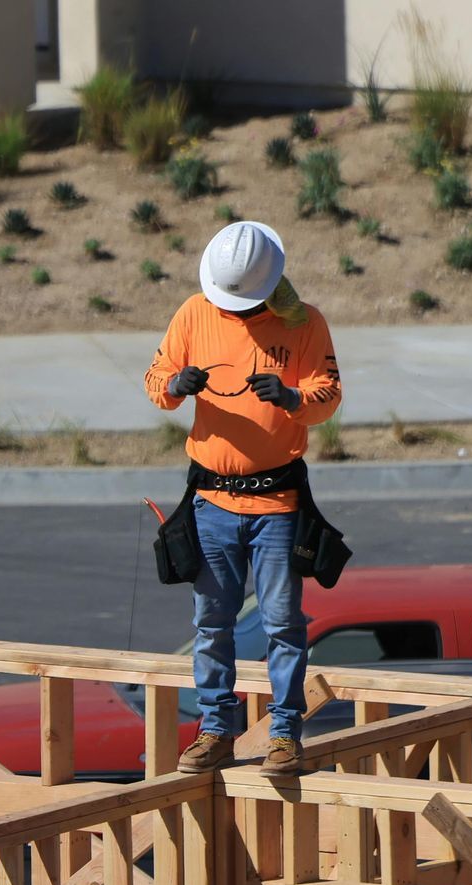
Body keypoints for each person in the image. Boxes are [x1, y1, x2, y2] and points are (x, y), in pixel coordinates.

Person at [145, 221, 343, 777]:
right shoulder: (193, 312)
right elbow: (155, 377)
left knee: (282, 622)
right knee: (213, 620)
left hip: (276, 501)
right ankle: (215, 729)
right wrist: (175, 386)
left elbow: (328, 395)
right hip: (213, 499)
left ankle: (284, 734)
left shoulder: (303, 324)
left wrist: (293, 398)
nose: (230, 311)